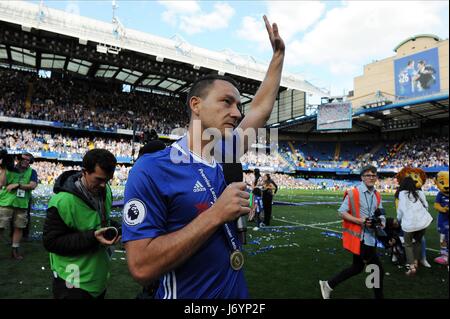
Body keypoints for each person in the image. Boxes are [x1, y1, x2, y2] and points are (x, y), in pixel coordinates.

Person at [122, 15, 285, 299]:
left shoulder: (226, 153)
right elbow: (141, 266)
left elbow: (259, 109)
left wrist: (278, 57)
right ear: (195, 105)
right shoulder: (152, 169)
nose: (237, 113)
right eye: (227, 102)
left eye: (238, 105)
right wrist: (215, 215)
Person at [42, 149, 120, 299]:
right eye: (99, 179)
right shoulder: (63, 201)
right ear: (84, 172)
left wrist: (114, 228)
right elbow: (51, 242)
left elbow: (100, 221)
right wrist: (93, 237)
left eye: (108, 180)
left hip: (97, 277)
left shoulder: (106, 190)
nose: (104, 185)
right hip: (72, 280)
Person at [319, 165, 385, 299]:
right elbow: (341, 212)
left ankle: (328, 284)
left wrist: (381, 221)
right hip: (361, 239)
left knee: (357, 267)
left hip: (371, 237)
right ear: (362, 177)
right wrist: (359, 221)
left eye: (374, 175)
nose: (371, 178)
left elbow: (381, 212)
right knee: (377, 270)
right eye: (368, 175)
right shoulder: (353, 193)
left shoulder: (377, 195)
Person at [0, 152, 38, 260]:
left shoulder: (32, 172)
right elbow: (1, 183)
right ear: (18, 159)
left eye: (29, 160)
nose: (26, 162)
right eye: (24, 159)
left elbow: (33, 185)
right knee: (0, 227)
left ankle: (15, 250)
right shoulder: (8, 168)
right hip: (5, 203)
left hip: (22, 205)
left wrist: (18, 185)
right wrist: (3, 169)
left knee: (19, 227)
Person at [397, 177, 433, 276]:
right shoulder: (420, 193)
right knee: (417, 242)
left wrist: (398, 220)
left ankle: (411, 266)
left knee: (408, 245)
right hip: (423, 223)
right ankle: (416, 262)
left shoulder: (402, 194)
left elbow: (400, 210)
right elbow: (426, 206)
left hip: (409, 224)